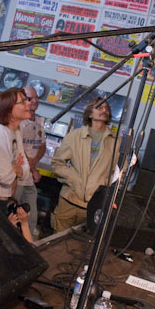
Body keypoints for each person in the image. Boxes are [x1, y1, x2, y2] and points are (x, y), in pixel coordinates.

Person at [50, 97, 116, 232]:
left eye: (107, 108)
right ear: (90, 113)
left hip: (95, 206)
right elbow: (57, 163)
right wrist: (73, 179)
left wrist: (105, 187)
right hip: (69, 201)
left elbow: (121, 171)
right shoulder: (74, 136)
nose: (104, 110)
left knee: (82, 248)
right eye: (99, 107)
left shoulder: (116, 142)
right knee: (55, 245)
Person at [0, 88, 33, 242]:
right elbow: (3, 176)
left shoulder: (15, 132)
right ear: (8, 109)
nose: (28, 104)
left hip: (2, 201)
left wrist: (15, 168)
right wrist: (16, 170)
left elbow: (26, 171)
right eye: (22, 101)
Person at [15, 86, 45, 239]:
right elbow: (19, 148)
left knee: (31, 216)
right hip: (19, 176)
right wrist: (32, 168)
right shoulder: (18, 122)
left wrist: (33, 165)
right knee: (14, 215)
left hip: (29, 177)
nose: (34, 101)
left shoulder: (39, 120)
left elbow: (42, 145)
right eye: (29, 98)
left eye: (36, 97)